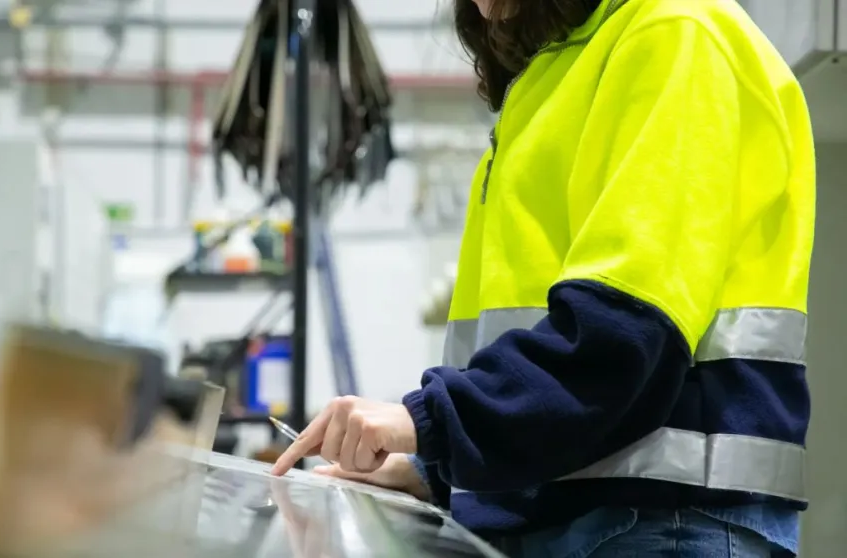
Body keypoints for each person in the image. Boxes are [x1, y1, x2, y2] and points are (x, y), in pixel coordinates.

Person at [271, 0, 815, 555]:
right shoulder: (552, 78)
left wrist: (432, 421)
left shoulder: (675, 32)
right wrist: (436, 468)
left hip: (663, 525)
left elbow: (624, 337)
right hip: (595, 518)